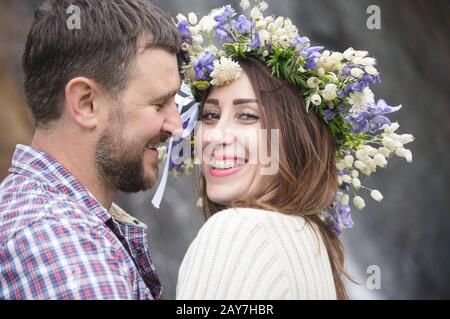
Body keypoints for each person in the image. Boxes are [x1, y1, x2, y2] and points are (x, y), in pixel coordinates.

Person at [171, 2, 414, 300]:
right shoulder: (310, 240)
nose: (215, 136)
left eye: (247, 115)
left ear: (296, 138)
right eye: (210, 116)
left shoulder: (236, 231)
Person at [0, 0, 182, 299]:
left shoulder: (51, 218)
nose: (176, 125)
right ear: (86, 103)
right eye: (159, 104)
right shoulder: (60, 241)